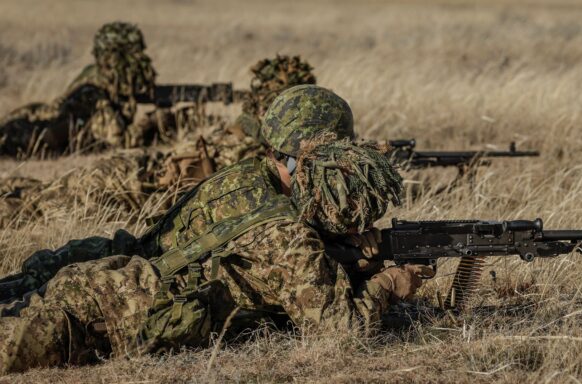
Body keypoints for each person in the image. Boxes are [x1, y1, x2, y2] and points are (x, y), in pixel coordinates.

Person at [0, 85, 431, 374]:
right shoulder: (284, 234)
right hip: (104, 316)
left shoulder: (249, 175)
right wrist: (390, 283)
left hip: (109, 276)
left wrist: (343, 246)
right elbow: (342, 335)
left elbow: (259, 251)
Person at [0, 55, 320, 226]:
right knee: (33, 207)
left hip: (135, 171)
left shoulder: (244, 131)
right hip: (132, 185)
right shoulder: (260, 151)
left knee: (38, 193)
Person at [0, 22, 174, 158]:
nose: (143, 62)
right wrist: (151, 121)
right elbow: (120, 142)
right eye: (133, 55)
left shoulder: (99, 78)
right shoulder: (94, 93)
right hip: (19, 136)